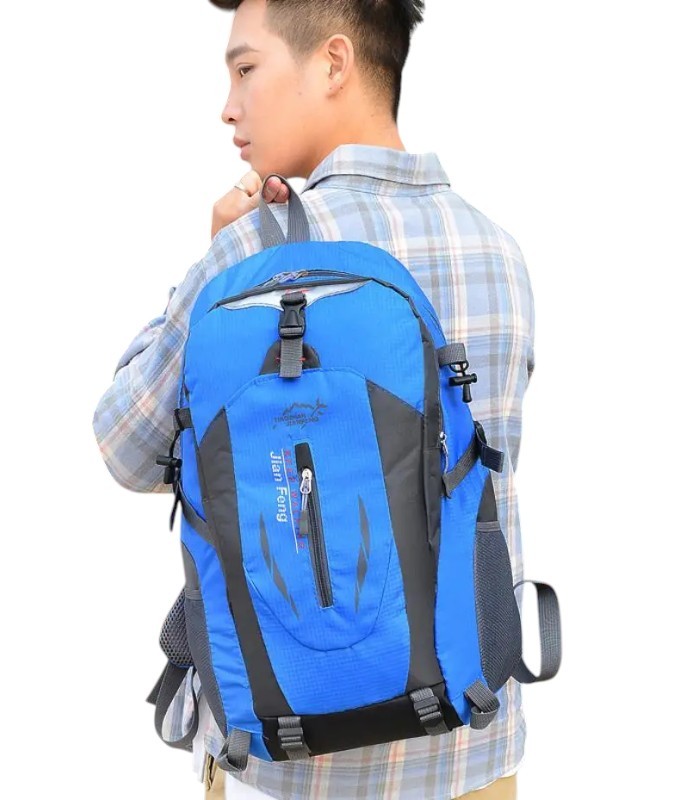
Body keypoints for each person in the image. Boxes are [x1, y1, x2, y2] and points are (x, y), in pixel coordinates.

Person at [92, 1, 535, 797]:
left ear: (334, 63)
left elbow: (128, 448)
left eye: (245, 68)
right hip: (473, 753)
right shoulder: (499, 251)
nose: (228, 106)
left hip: (289, 761)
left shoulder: (246, 262)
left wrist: (208, 266)